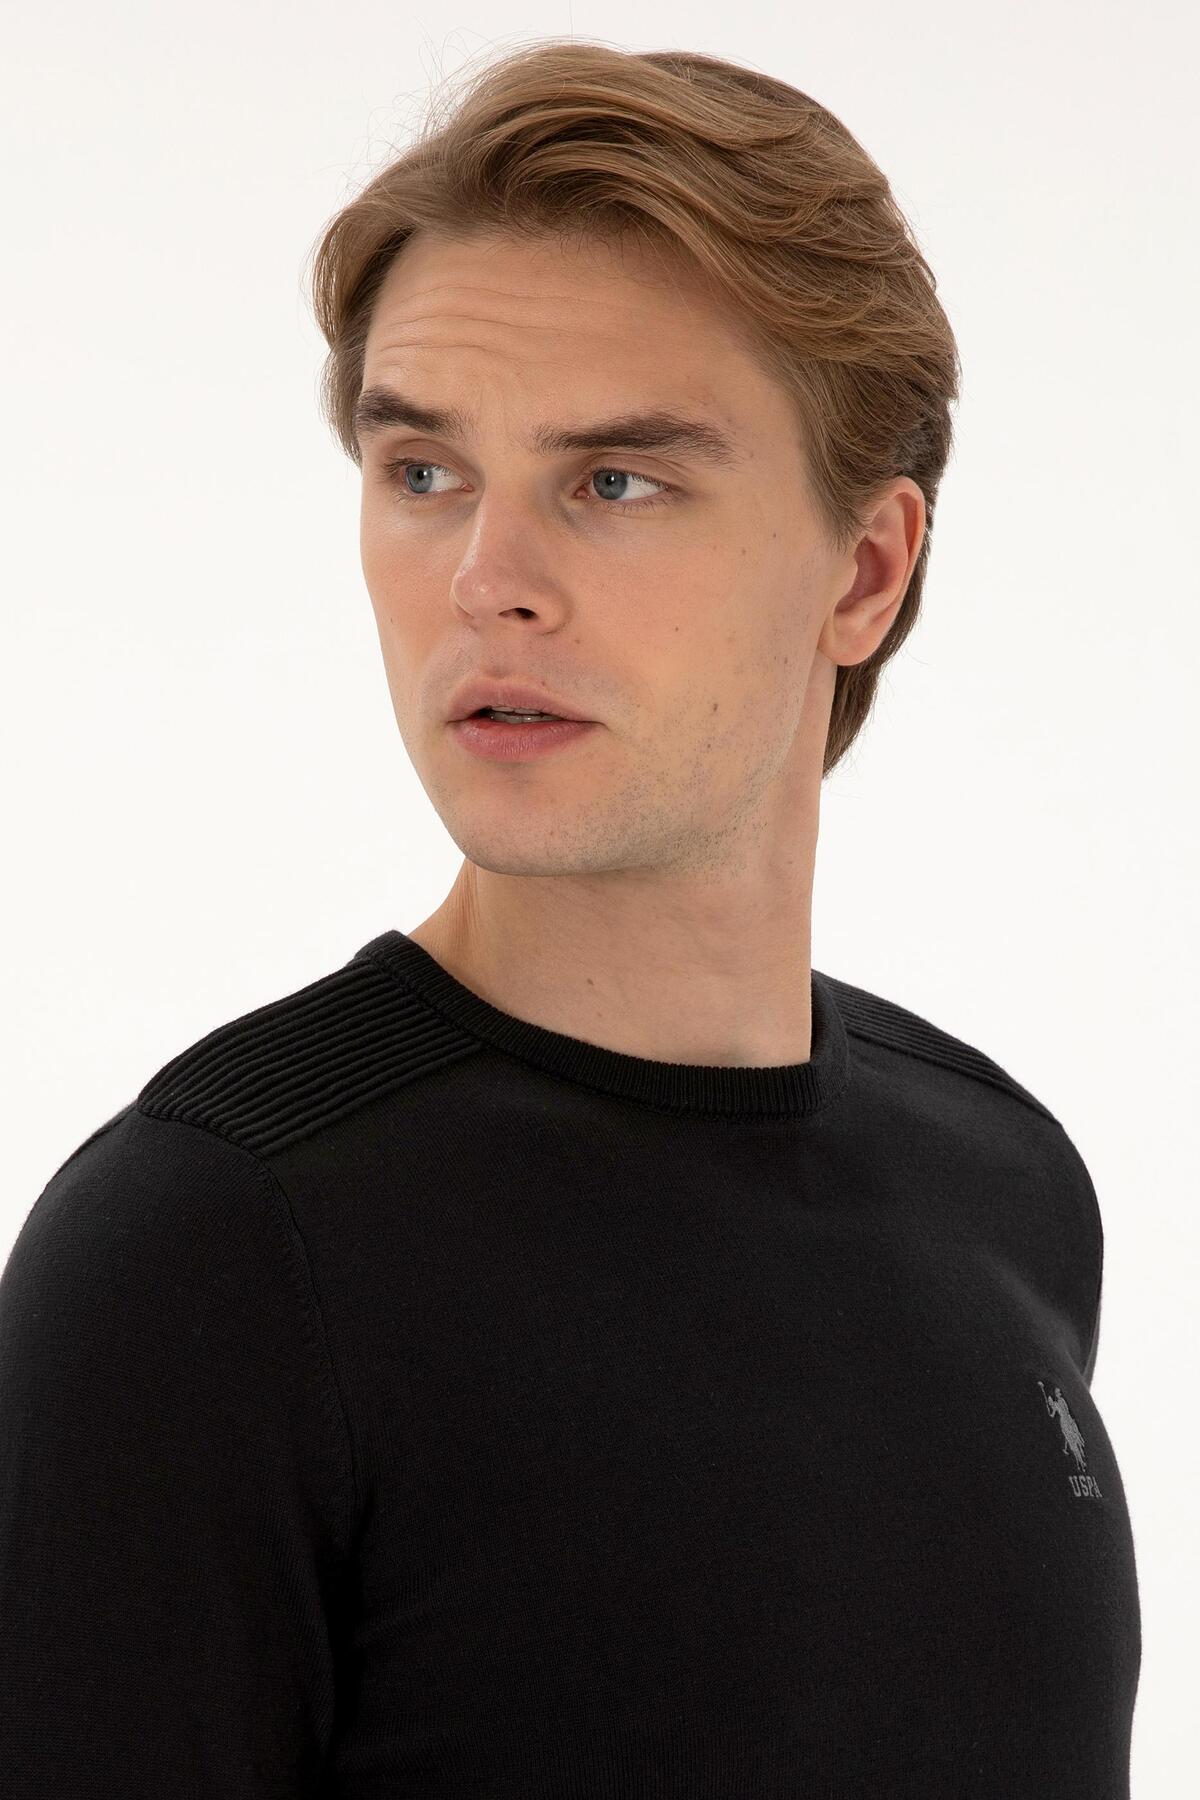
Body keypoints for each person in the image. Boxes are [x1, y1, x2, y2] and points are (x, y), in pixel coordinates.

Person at [0, 38, 1141, 1798]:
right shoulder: (208, 1262)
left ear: (864, 570)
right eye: (424, 473)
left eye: (615, 482)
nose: (487, 583)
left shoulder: (1004, 1181)